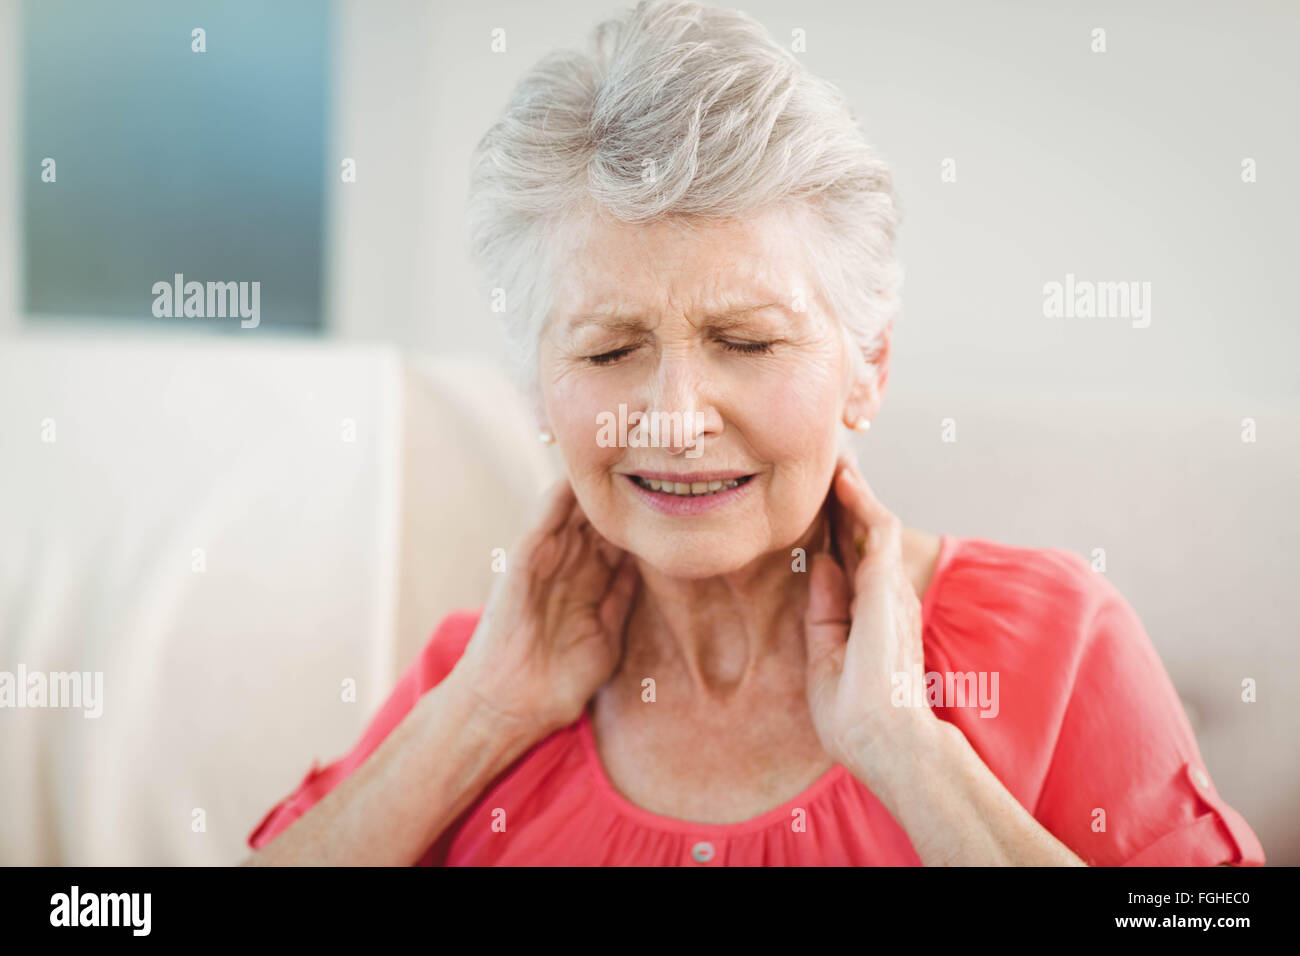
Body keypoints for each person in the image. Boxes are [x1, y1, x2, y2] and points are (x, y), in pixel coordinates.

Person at [241, 0, 1264, 866]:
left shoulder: (1053, 643)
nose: (679, 421)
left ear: (869, 365)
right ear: (537, 386)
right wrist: (481, 721)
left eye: (746, 341)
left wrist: (907, 753)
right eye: (606, 352)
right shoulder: (482, 671)